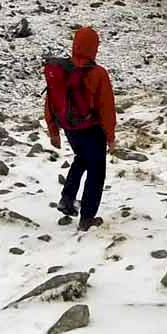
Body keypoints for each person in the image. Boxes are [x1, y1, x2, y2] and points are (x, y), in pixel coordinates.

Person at [46, 26, 117, 232]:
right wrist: (111, 137)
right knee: (96, 173)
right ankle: (87, 218)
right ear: (93, 47)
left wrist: (53, 130)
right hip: (92, 130)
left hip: (70, 128)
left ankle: (67, 199)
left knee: (81, 159)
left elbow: (50, 100)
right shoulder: (98, 73)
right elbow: (107, 108)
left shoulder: (61, 70)